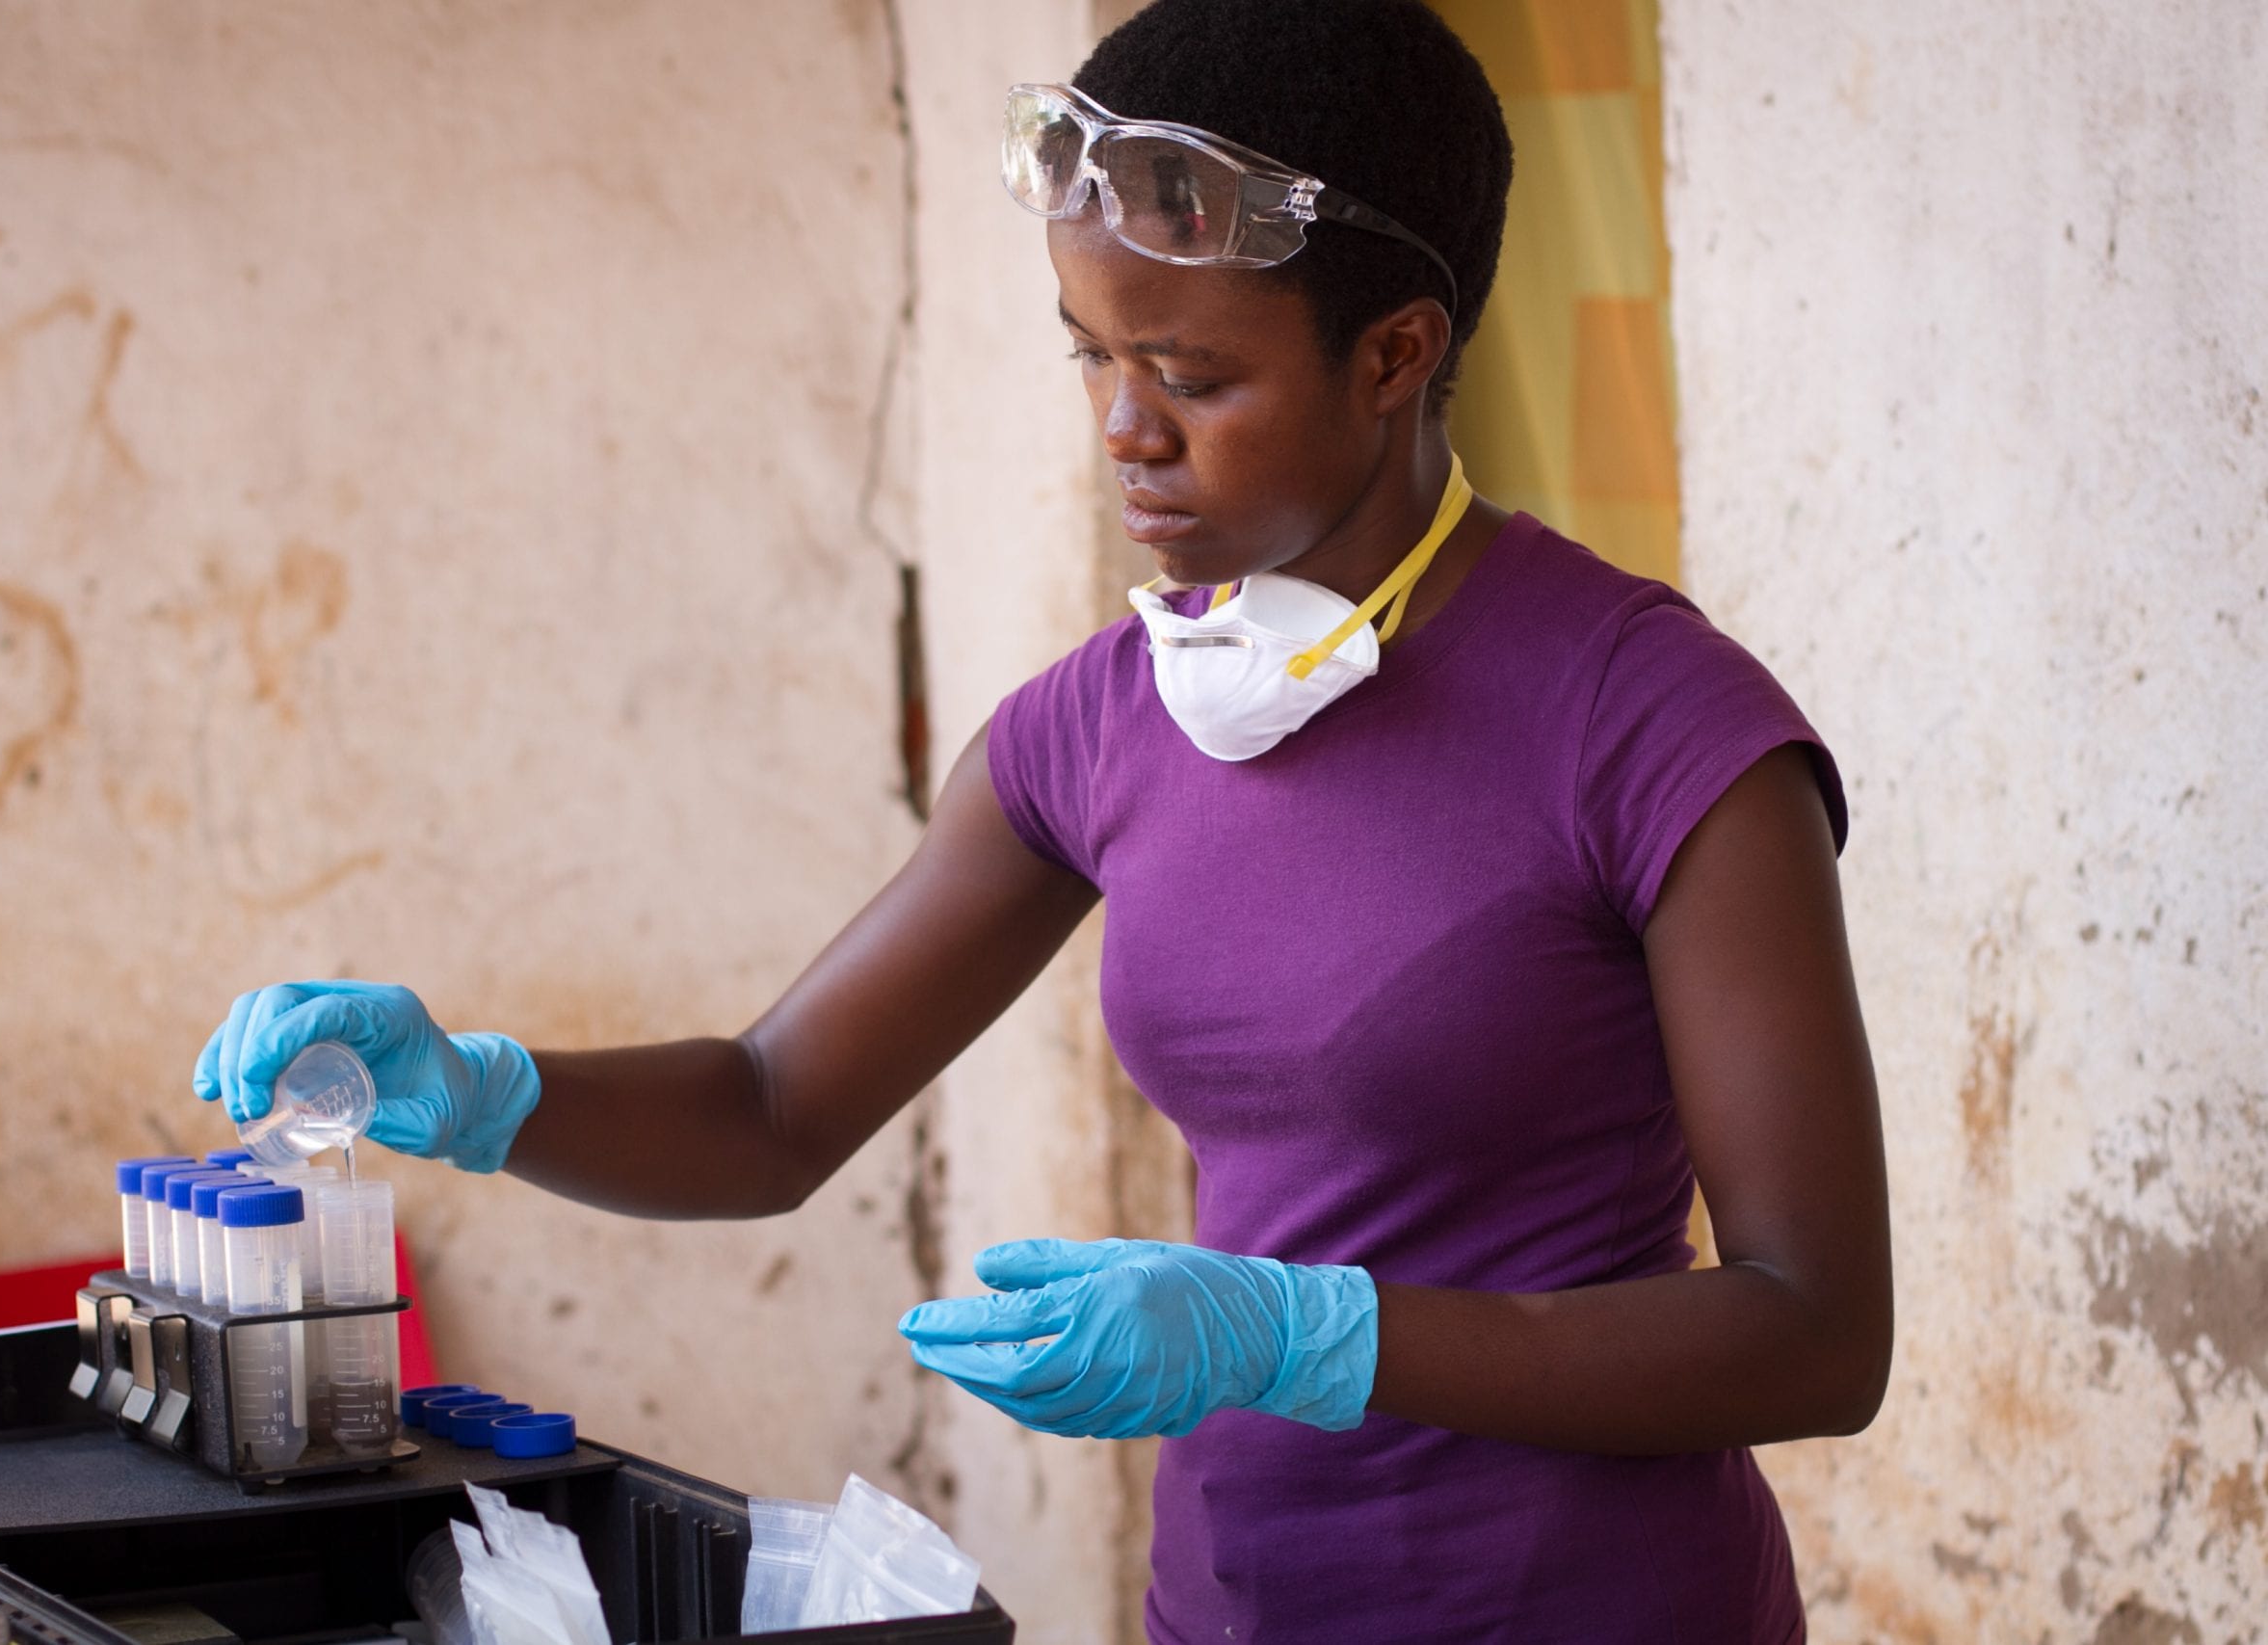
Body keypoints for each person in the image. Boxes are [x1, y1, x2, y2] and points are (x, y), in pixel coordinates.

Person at [195, 1, 1890, 1637]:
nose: (1123, 431)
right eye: (1092, 354)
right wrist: (485, 1094)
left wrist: (1315, 1337)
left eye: (1191, 372)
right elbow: (773, 1110)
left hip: (1579, 1610)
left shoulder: (1652, 725)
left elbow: (1815, 1335)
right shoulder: (1101, 725)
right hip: (1233, 1603)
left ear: (1396, 354)